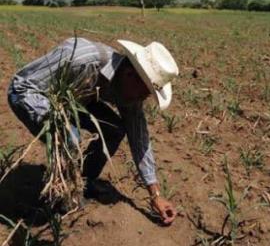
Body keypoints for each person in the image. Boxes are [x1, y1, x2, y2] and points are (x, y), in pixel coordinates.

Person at [7, 37, 179, 225]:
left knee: (115, 129)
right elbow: (21, 86)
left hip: (78, 101)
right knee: (71, 136)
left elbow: (139, 136)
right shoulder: (83, 60)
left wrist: (155, 195)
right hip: (32, 96)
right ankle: (57, 197)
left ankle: (85, 181)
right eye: (143, 93)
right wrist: (55, 119)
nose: (142, 99)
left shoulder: (130, 88)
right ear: (129, 75)